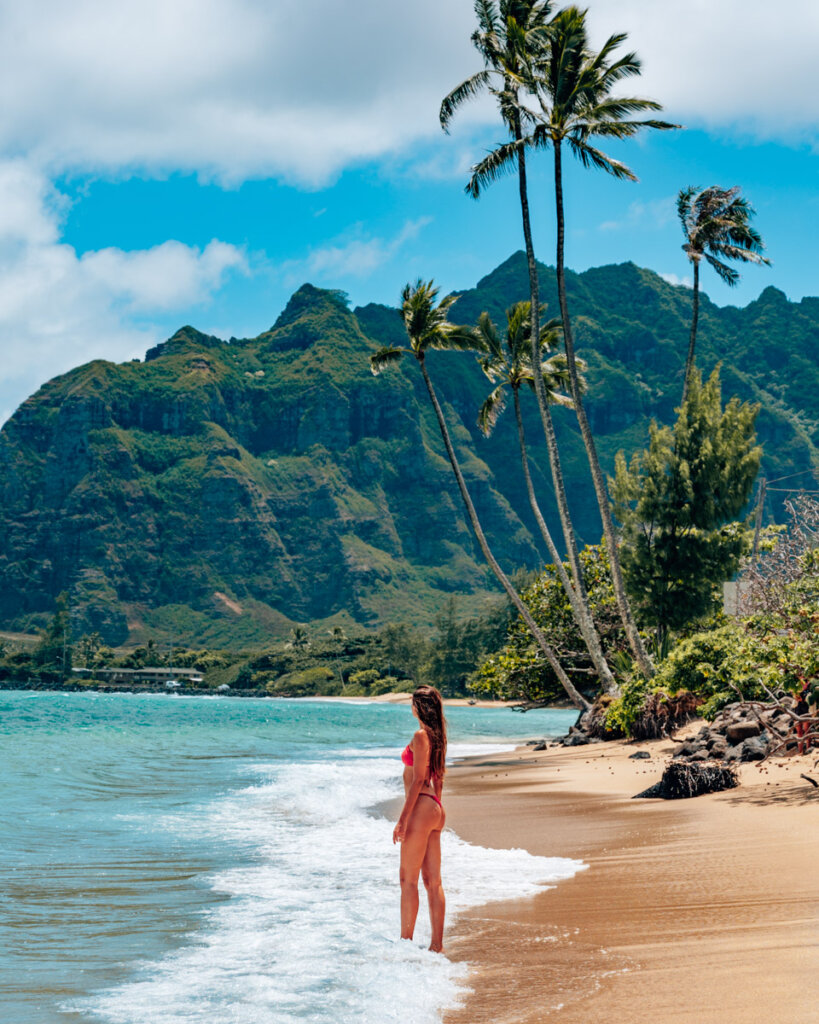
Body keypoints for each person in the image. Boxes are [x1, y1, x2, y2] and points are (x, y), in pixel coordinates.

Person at [393, 685, 447, 952]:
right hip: (434, 808)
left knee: (408, 880)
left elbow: (417, 782)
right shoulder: (438, 736)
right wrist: (437, 808)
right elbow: (438, 777)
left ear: (418, 707)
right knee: (432, 881)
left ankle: (405, 944)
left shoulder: (420, 736)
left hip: (422, 808)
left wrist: (403, 819)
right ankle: (436, 945)